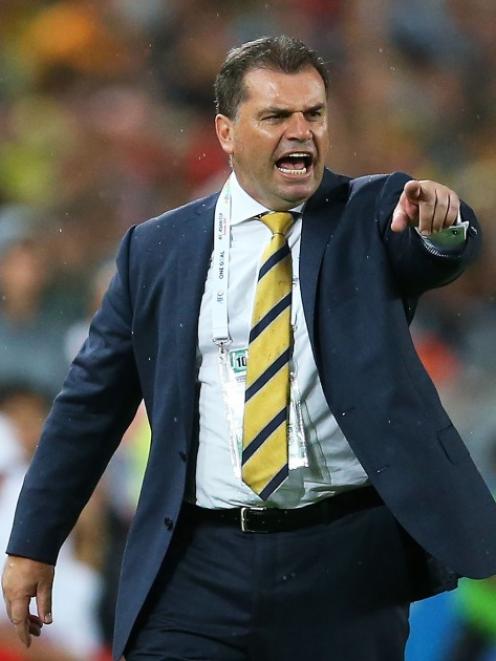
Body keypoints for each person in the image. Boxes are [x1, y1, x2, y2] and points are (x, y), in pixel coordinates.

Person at [3, 35, 496, 661]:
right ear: (227, 132)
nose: (302, 132)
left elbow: (435, 248)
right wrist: (32, 543)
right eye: (276, 116)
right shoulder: (157, 251)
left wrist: (443, 227)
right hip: (199, 564)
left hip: (343, 566)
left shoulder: (372, 214)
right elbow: (88, 406)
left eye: (313, 114)